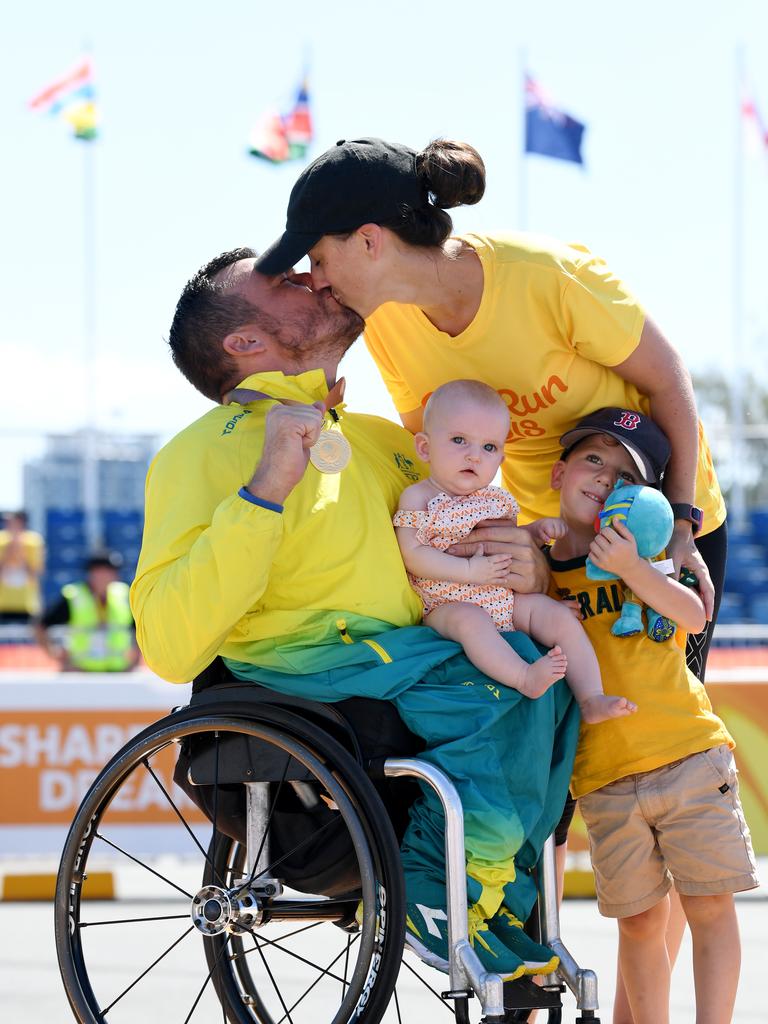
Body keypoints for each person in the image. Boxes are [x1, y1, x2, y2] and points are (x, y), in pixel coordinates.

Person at [131, 247, 580, 981]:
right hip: (308, 667)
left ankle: (494, 892)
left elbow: (465, 543)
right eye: (285, 280)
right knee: (496, 687)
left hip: (409, 653)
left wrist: (519, 557)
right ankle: (438, 887)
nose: (314, 273)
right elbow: (170, 645)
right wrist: (266, 489)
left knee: (552, 691)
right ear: (244, 344)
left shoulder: (387, 439)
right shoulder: (191, 457)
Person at [546, 406, 758, 1024]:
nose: (604, 478)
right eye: (593, 459)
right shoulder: (546, 570)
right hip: (607, 778)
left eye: (623, 475)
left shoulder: (650, 553)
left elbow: (692, 619)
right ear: (558, 471)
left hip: (689, 756)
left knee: (711, 907)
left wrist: (634, 569)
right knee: (639, 924)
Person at [395, 379, 635, 724]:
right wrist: (468, 573)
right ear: (424, 448)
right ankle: (524, 677)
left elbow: (506, 540)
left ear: (501, 458)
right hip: (445, 603)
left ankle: (592, 697)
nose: (474, 455)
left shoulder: (494, 500)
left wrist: (534, 533)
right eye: (459, 440)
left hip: (500, 597)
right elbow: (413, 553)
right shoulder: (419, 497)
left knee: (557, 616)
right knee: (471, 622)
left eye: (489, 447)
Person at [35, 551, 139, 672]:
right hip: (81, 673)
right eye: (100, 571)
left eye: (110, 571)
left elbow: (140, 629)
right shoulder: (73, 596)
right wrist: (55, 655)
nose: (105, 576)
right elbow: (41, 626)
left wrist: (135, 661)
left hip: (118, 671)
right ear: (91, 573)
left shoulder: (124, 594)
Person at [0, 511, 45, 624]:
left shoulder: (34, 541)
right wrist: (8, 552)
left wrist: (20, 552)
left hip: (27, 604)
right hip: (3, 604)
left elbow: (36, 572)